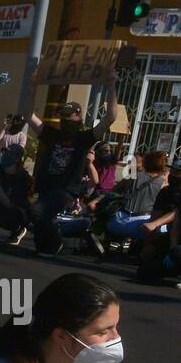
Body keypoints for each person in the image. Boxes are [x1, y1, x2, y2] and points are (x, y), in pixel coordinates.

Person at [25, 73, 118, 257]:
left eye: (69, 116)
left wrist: (111, 85)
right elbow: (28, 115)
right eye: (62, 116)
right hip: (47, 186)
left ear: (79, 115)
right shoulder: (51, 133)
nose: (65, 119)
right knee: (35, 219)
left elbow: (110, 118)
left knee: (37, 211)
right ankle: (51, 246)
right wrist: (33, 85)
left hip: (66, 190)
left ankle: (57, 242)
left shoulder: (84, 138)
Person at [89, 150, 167, 250]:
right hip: (143, 227)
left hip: (117, 222)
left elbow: (112, 192)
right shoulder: (164, 184)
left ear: (145, 163)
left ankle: (110, 240)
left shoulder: (133, 176)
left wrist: (95, 201)